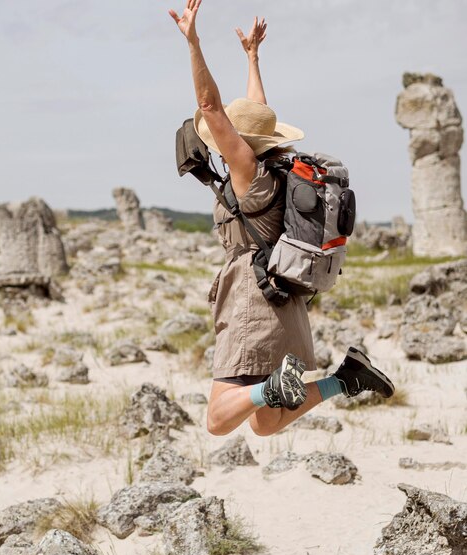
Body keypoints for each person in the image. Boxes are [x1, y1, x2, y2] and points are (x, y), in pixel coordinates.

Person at [169, 0, 395, 437]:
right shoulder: (277, 170)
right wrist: (253, 58)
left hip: (253, 301)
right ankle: (346, 378)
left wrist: (193, 43)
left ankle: (272, 387)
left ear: (241, 143)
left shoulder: (247, 174)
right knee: (267, 424)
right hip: (285, 294)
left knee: (218, 422)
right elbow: (259, 113)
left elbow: (210, 107)